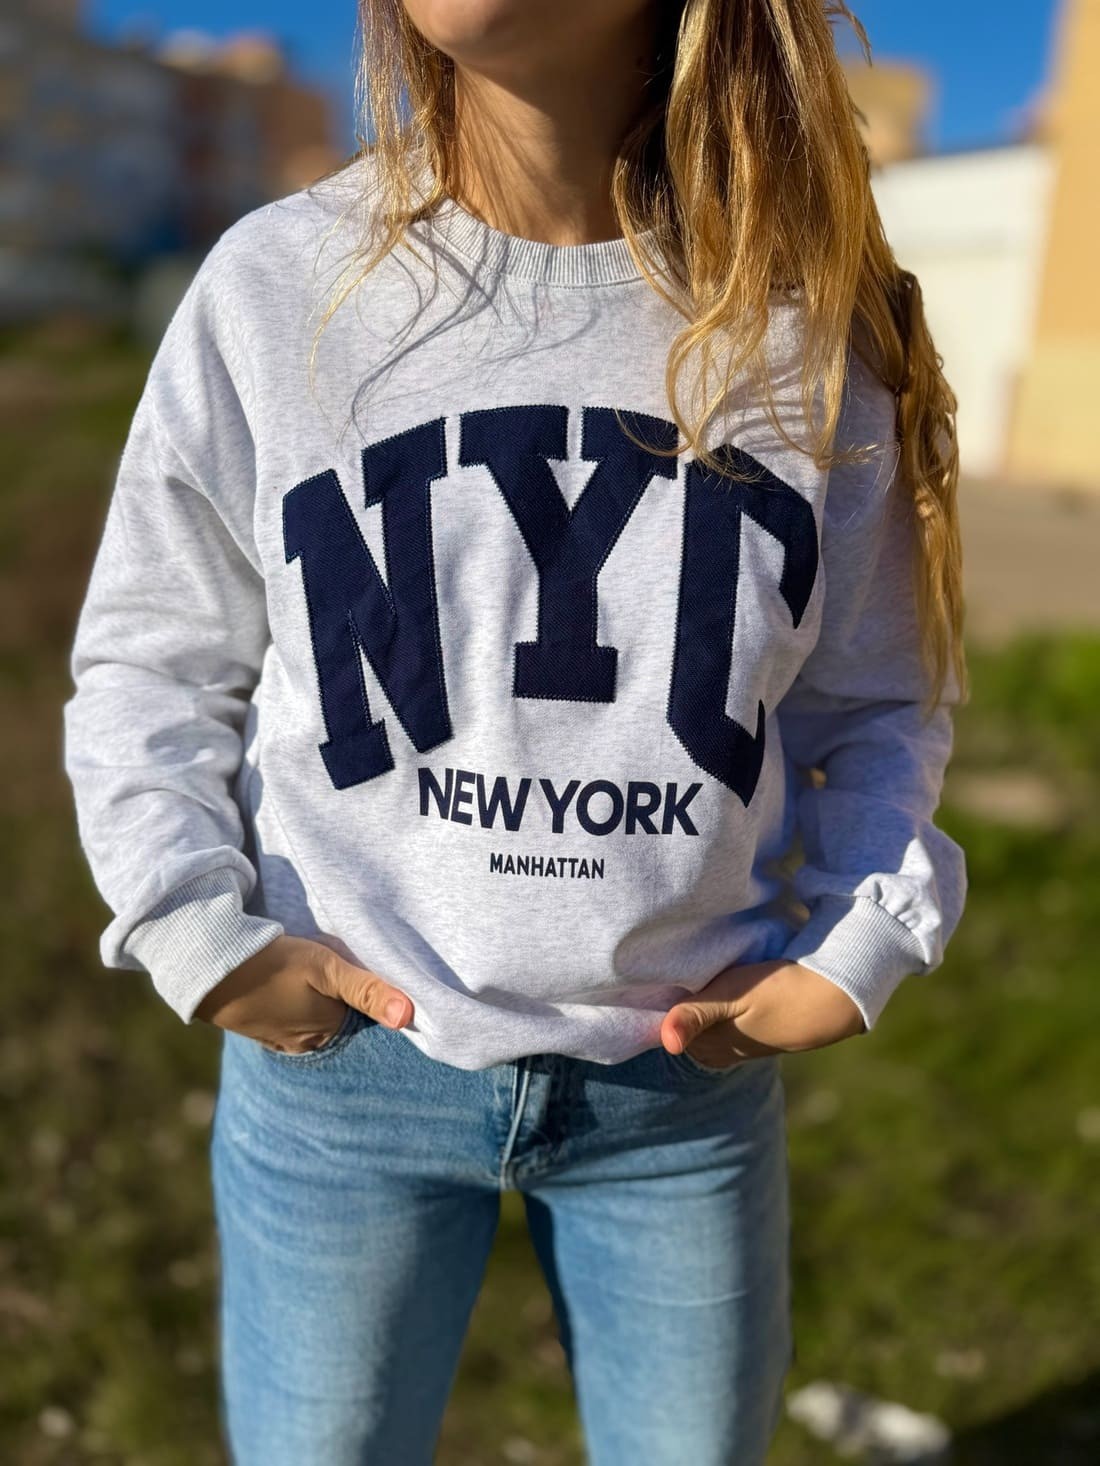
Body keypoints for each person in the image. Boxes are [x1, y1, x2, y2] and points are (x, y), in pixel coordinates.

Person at [61, 1, 969, 1461]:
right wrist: (194, 930)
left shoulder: (801, 323)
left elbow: (874, 700)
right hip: (344, 1079)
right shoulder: (276, 286)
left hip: (680, 1088)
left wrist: (856, 940)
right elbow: (153, 660)